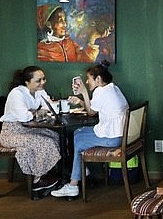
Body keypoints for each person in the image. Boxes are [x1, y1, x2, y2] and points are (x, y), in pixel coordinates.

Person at [51, 61, 129, 198]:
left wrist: (84, 93)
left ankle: (73, 184)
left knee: (79, 140)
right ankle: (81, 170)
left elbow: (92, 112)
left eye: (89, 79)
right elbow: (95, 107)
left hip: (112, 139)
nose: (87, 82)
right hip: (121, 135)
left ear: (98, 79)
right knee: (77, 133)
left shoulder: (100, 91)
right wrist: (80, 101)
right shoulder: (112, 88)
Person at [0, 66, 60, 195]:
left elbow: (48, 105)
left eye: (43, 79)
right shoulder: (17, 93)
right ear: (27, 82)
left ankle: (48, 172)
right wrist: (36, 112)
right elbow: (23, 117)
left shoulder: (39, 91)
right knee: (43, 142)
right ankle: (37, 180)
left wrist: (33, 112)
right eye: (38, 80)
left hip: (28, 128)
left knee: (55, 136)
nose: (43, 82)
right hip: (12, 132)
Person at [36, 3, 107, 63]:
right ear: (49, 24)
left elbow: (84, 61)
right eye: (60, 21)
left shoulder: (69, 42)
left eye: (65, 20)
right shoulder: (42, 48)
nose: (65, 24)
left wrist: (93, 38)